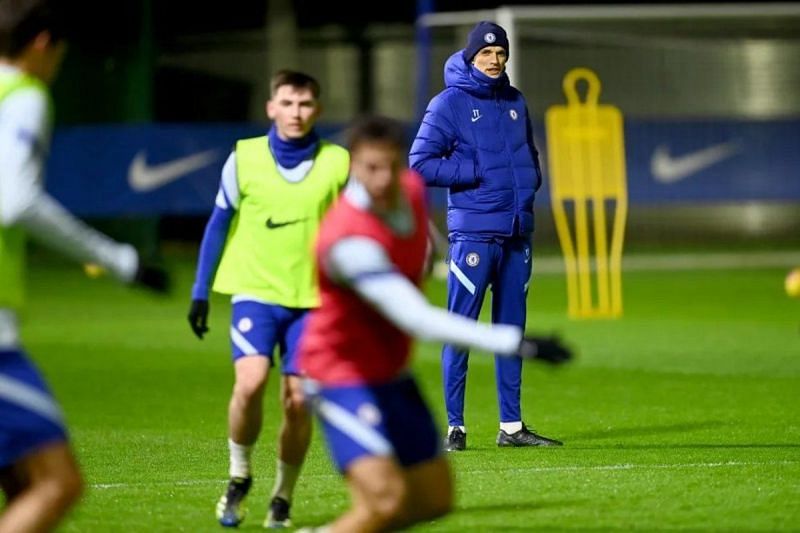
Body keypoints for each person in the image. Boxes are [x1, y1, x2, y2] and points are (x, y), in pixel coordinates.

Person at [297, 115, 567, 533]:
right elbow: (416, 318)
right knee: (385, 499)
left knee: (433, 501)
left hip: (392, 374)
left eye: (391, 165)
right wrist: (518, 342)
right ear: (353, 166)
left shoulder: (409, 192)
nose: (383, 178)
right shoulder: (347, 237)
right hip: (341, 375)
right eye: (371, 168)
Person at [0, 1, 169, 531]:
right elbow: (16, 200)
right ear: (44, 44)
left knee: (24, 481)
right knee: (58, 483)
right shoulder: (24, 95)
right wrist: (121, 261)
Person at [187, 70, 349, 528]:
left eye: (304, 104)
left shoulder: (338, 162)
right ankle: (239, 474)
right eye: (287, 102)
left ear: (316, 109)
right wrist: (201, 291)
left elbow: (354, 231)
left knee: (298, 401)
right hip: (255, 292)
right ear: (271, 107)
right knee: (251, 382)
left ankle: (282, 494)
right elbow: (218, 223)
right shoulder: (243, 157)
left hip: (315, 299)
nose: (295, 113)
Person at [409, 20, 562, 451]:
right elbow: (419, 163)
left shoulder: (515, 100)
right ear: (471, 56)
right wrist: (474, 173)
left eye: (500, 54)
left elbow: (528, 154)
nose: (494, 61)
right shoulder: (448, 104)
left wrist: (531, 180)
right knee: (461, 329)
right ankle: (454, 427)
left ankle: (511, 428)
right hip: (474, 235)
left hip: (517, 233)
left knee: (512, 332)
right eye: (486, 54)